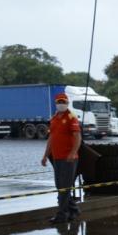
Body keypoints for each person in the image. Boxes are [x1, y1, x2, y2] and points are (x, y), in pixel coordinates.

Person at [41, 92, 81, 224]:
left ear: (67, 103)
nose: (61, 104)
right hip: (56, 157)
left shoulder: (71, 117)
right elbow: (51, 138)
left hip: (69, 158)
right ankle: (73, 210)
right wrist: (46, 155)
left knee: (64, 187)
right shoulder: (53, 118)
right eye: (59, 102)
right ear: (56, 103)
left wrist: (72, 152)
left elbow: (77, 137)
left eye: (64, 102)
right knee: (61, 186)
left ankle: (62, 215)